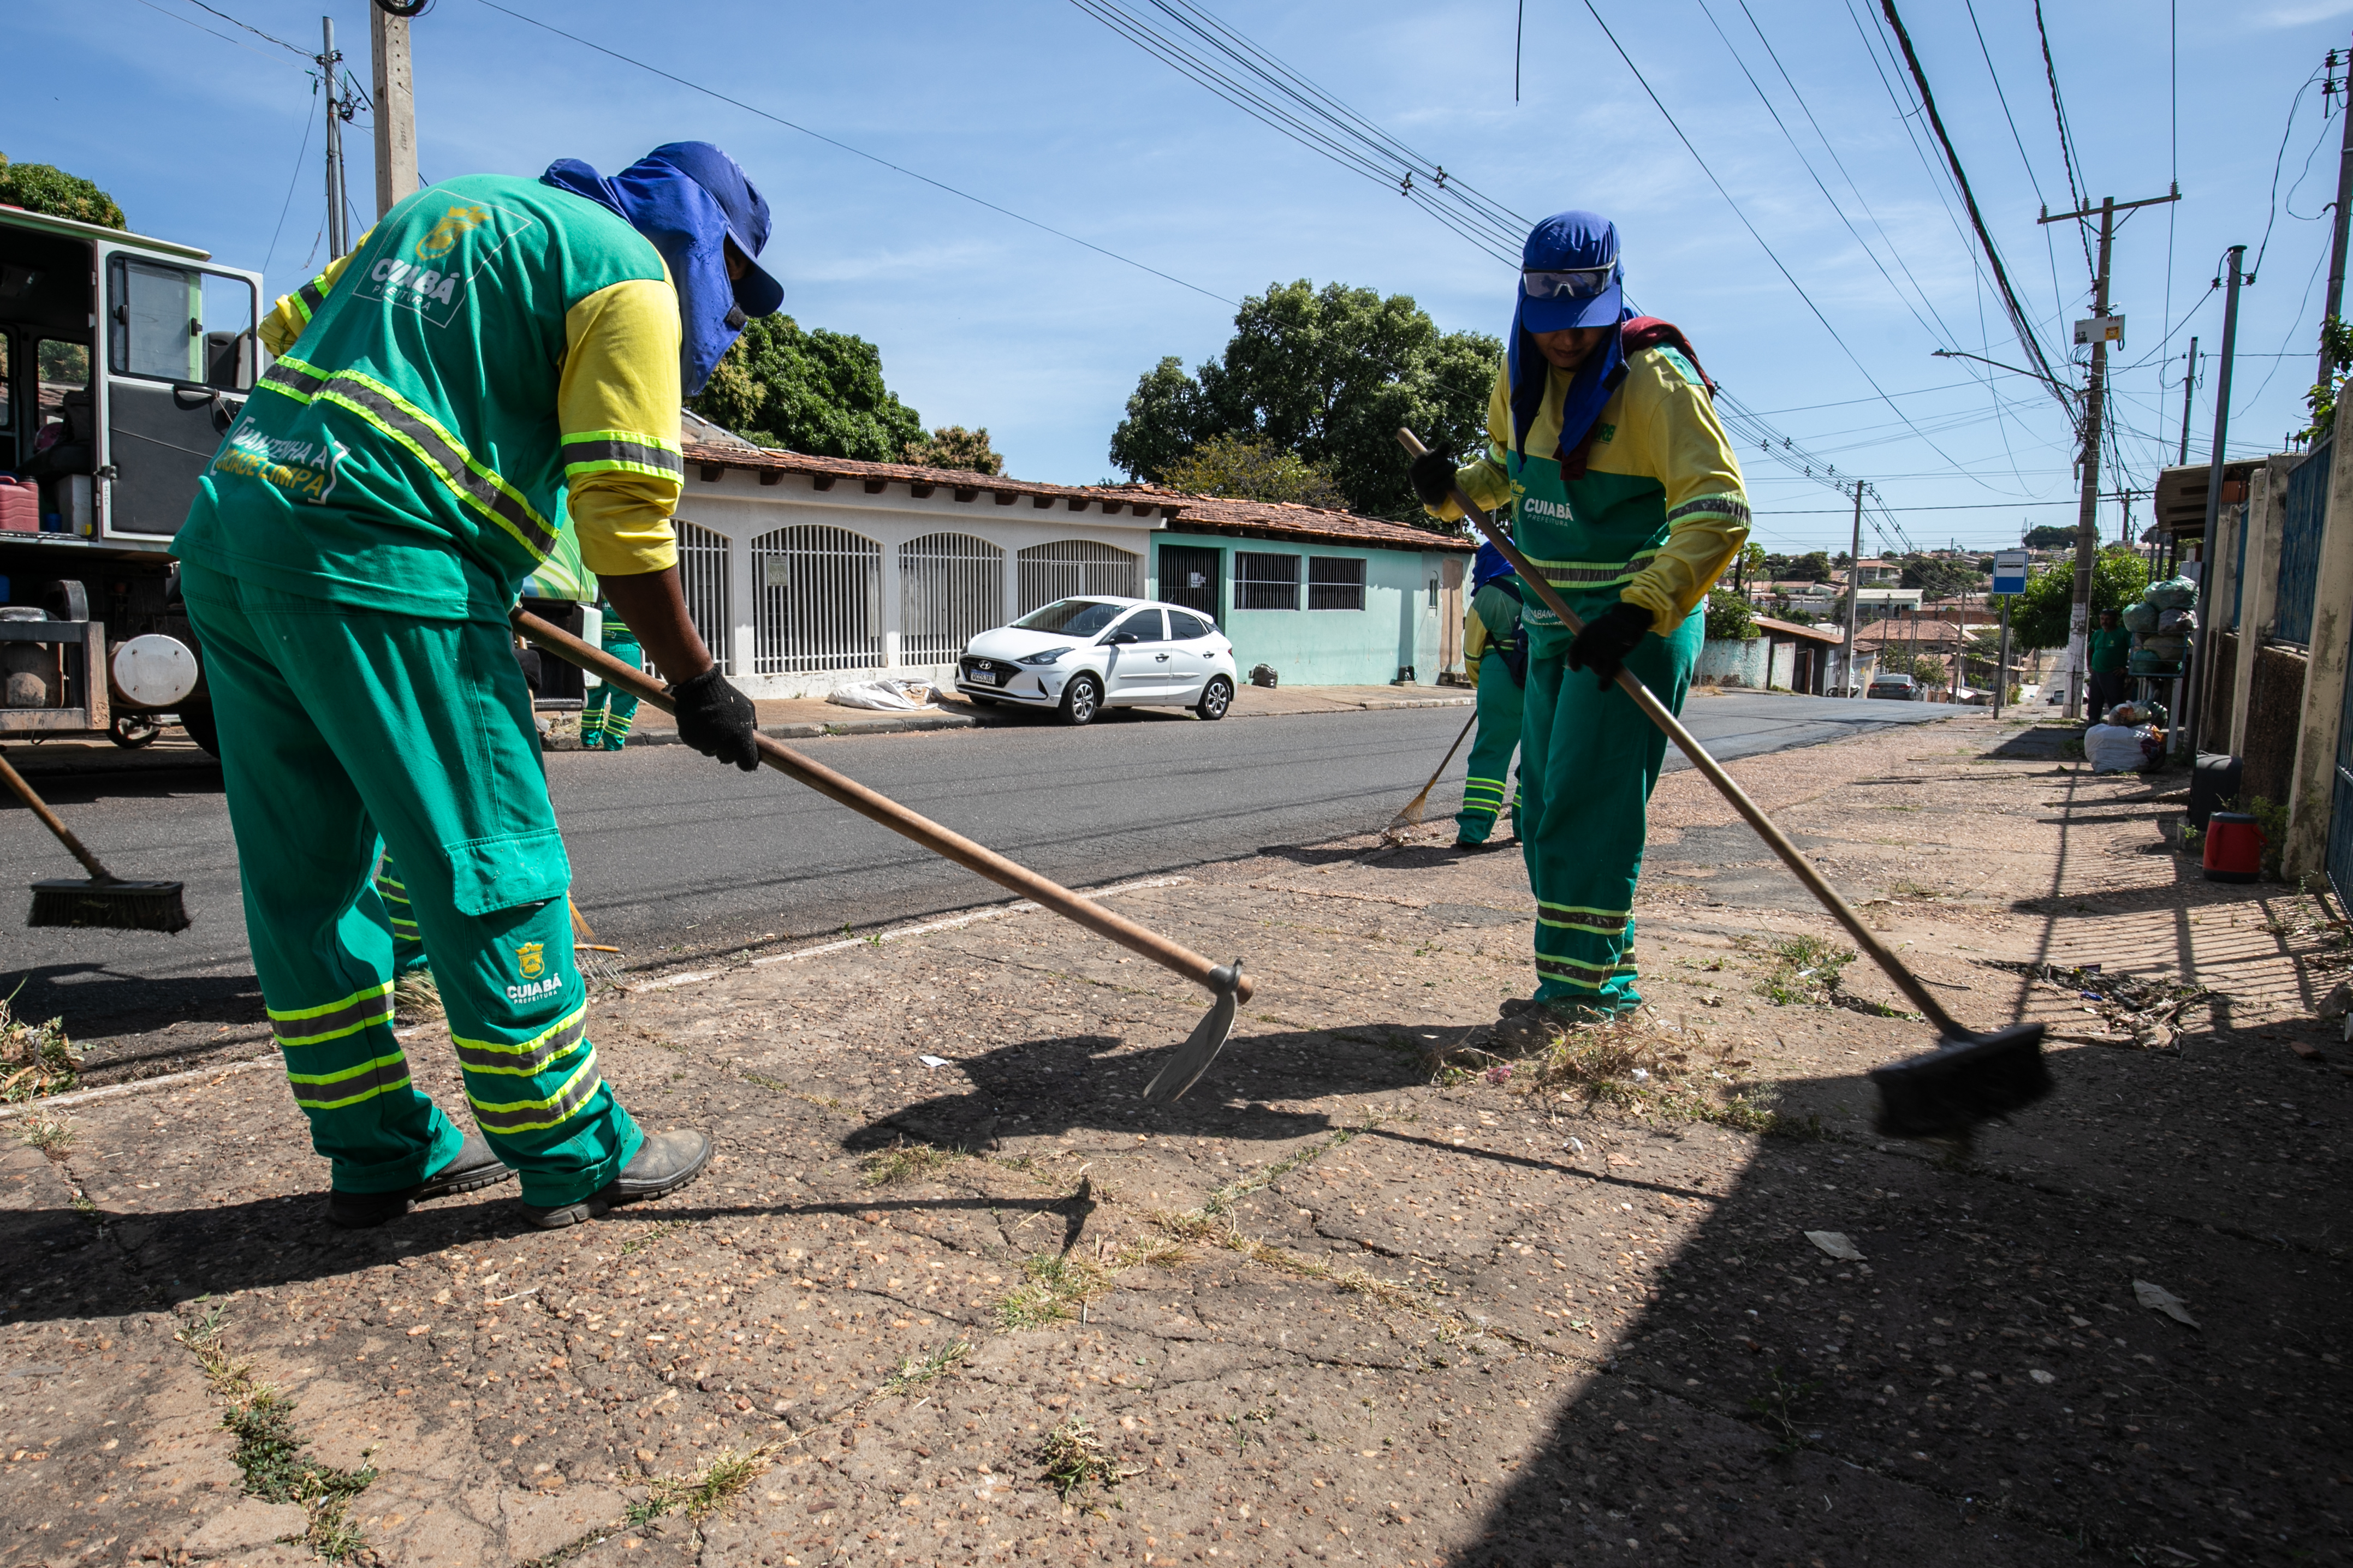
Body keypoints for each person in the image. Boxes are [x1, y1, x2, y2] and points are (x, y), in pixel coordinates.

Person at [175, 143, 783, 1229]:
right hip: (382, 555)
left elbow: (290, 340)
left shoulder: (451, 208)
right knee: (491, 855)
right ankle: (572, 1143)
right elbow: (623, 517)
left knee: (305, 880)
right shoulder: (629, 276)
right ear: (706, 240)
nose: (729, 321)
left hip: (236, 532)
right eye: (738, 286)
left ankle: (376, 1146)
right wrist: (698, 682)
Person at [1411, 211, 1750, 1047]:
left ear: (1612, 299)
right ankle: (1595, 975)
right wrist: (1446, 486)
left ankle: (1584, 998)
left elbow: (1719, 511)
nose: (1565, 341)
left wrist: (1641, 606)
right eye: (1549, 324)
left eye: (1581, 324)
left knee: (1591, 813)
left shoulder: (1656, 380)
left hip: (1631, 625)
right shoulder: (1518, 371)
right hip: (1550, 618)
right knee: (1545, 807)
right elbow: (1505, 473)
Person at [1454, 538, 1526, 850]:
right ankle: (1528, 826)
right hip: (1543, 678)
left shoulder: (1488, 595)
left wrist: (1482, 685)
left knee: (1490, 755)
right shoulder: (1541, 586)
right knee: (1540, 755)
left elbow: (1472, 654)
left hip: (1499, 675)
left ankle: (1474, 830)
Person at [579, 598, 644, 750]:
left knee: (594, 694)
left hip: (596, 643)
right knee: (625, 698)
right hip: (626, 646)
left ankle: (589, 738)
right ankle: (613, 740)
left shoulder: (599, 582)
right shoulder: (636, 583)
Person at [2086, 607, 2130, 721]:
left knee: (2115, 703)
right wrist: (2089, 664)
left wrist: (2127, 669)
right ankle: (2092, 728)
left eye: (2108, 619)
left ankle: (2117, 729)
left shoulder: (2123, 633)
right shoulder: (2098, 634)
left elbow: (2136, 650)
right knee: (2094, 702)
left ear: (2115, 620)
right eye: (2102, 619)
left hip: (2113, 674)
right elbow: (2090, 649)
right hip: (2097, 673)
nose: (2104, 622)